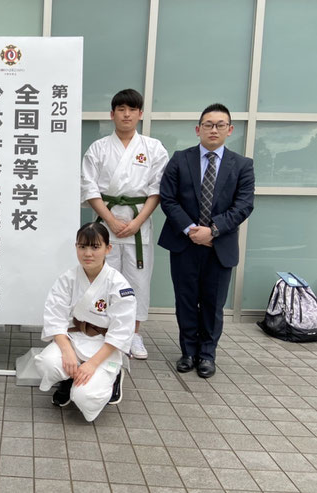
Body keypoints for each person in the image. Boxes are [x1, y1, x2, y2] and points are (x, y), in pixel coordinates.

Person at [158, 103, 255, 378]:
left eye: (220, 124)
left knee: (213, 304)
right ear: (197, 129)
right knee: (186, 299)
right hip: (184, 244)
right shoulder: (180, 159)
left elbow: (244, 205)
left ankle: (207, 355)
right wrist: (191, 229)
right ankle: (188, 351)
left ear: (230, 129)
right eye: (208, 124)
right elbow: (168, 198)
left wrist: (211, 231)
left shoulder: (243, 165)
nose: (214, 129)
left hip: (218, 246)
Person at [81, 88, 168, 360]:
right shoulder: (98, 148)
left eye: (132, 109)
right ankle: (102, 332)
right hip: (105, 225)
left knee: (137, 281)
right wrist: (111, 221)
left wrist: (138, 222)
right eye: (121, 109)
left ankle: (134, 335)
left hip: (138, 226)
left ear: (140, 114)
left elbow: (157, 190)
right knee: (101, 278)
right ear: (112, 114)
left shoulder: (153, 148)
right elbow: (88, 187)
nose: (126, 114)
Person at [34, 222, 136, 421]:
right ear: (76, 248)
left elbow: (121, 332)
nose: (88, 253)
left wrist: (90, 365)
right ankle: (70, 378)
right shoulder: (68, 279)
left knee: (86, 397)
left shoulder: (119, 285)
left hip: (104, 347)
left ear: (108, 249)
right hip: (75, 338)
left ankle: (113, 377)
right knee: (47, 364)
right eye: (82, 246)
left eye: (95, 247)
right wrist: (67, 351)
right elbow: (55, 317)